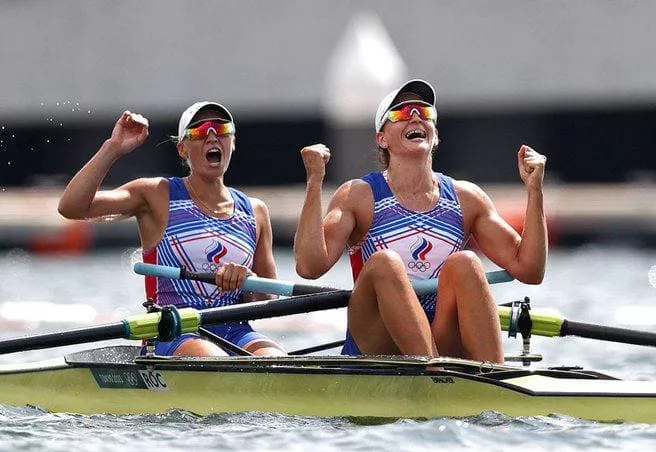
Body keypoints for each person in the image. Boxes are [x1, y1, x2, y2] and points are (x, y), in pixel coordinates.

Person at [294, 80, 547, 364]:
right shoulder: (358, 195)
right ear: (382, 139)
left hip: (441, 334)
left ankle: (494, 375)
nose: (415, 117)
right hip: (377, 339)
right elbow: (309, 267)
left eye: (425, 113)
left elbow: (530, 270)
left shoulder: (467, 198)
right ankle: (434, 373)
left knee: (466, 262)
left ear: (435, 135)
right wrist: (314, 181)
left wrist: (534, 190)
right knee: (385, 262)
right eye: (402, 113)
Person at [58, 101, 285, 357]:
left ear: (232, 142)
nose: (212, 136)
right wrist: (112, 149)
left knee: (277, 361)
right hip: (174, 330)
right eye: (199, 131)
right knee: (214, 359)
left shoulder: (255, 211)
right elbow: (71, 207)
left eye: (221, 129)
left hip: (236, 330)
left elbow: (268, 299)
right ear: (182, 149)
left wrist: (248, 282)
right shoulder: (156, 194)